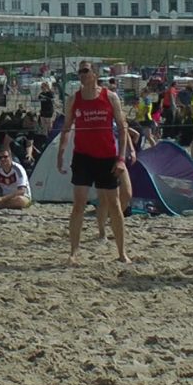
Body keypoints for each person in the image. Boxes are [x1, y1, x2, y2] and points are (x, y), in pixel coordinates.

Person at [56, 61, 133, 264]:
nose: (81, 74)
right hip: (82, 157)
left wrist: (122, 158)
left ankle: (121, 253)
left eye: (85, 71)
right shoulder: (74, 99)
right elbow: (66, 127)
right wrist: (61, 152)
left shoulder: (110, 96)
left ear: (95, 74)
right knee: (78, 205)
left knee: (115, 205)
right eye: (79, 71)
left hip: (107, 157)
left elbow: (123, 127)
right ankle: (73, 252)